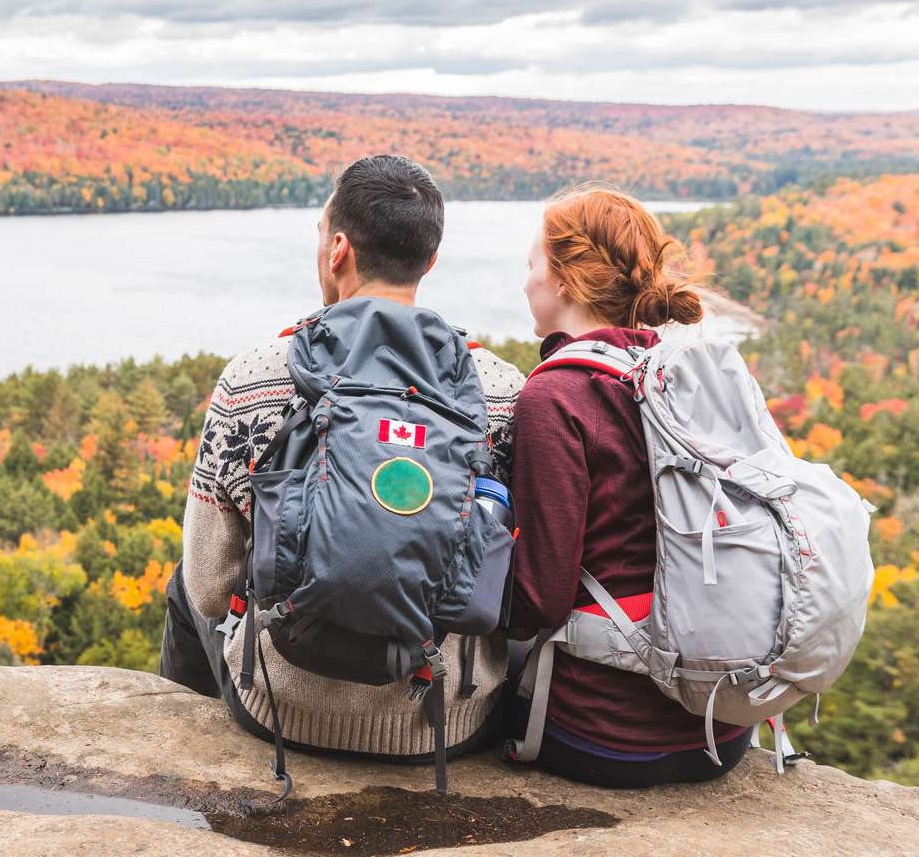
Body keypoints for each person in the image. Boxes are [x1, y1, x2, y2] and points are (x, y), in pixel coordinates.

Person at [159, 155, 526, 770]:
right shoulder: (499, 389)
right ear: (429, 260)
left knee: (180, 582)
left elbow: (210, 586)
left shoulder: (255, 376)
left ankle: (184, 760)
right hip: (442, 723)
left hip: (281, 711)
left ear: (337, 250)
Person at [503, 182, 752, 788]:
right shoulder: (682, 375)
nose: (526, 281)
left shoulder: (555, 395)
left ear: (564, 281)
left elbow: (540, 601)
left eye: (532, 265)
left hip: (603, 736)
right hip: (722, 729)